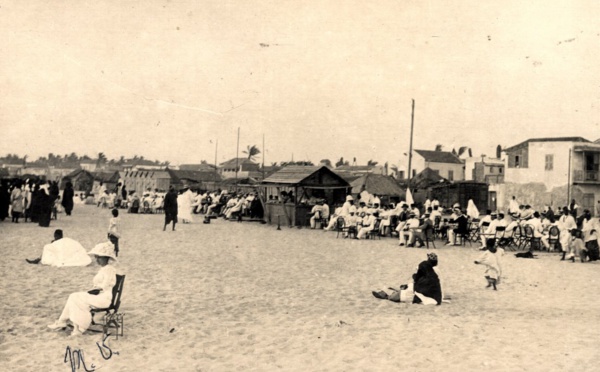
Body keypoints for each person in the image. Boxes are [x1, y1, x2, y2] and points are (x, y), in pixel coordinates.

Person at [47, 242, 117, 336]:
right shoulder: (104, 269)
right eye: (96, 257)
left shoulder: (109, 269)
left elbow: (105, 285)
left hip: (104, 298)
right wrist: (93, 290)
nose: (97, 259)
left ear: (106, 258)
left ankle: (79, 328)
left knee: (76, 297)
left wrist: (96, 290)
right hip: (99, 295)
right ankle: (64, 322)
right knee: (73, 296)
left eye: (99, 257)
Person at [372, 252, 443, 305]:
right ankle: (389, 293)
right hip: (434, 294)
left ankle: (386, 296)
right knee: (406, 289)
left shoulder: (426, 269)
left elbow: (418, 283)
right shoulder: (433, 273)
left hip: (424, 294)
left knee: (403, 293)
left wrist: (414, 280)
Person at [26, 229, 92, 267]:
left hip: (62, 255)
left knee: (46, 247)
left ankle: (37, 259)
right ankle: (38, 259)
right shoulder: (63, 241)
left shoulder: (58, 242)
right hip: (64, 253)